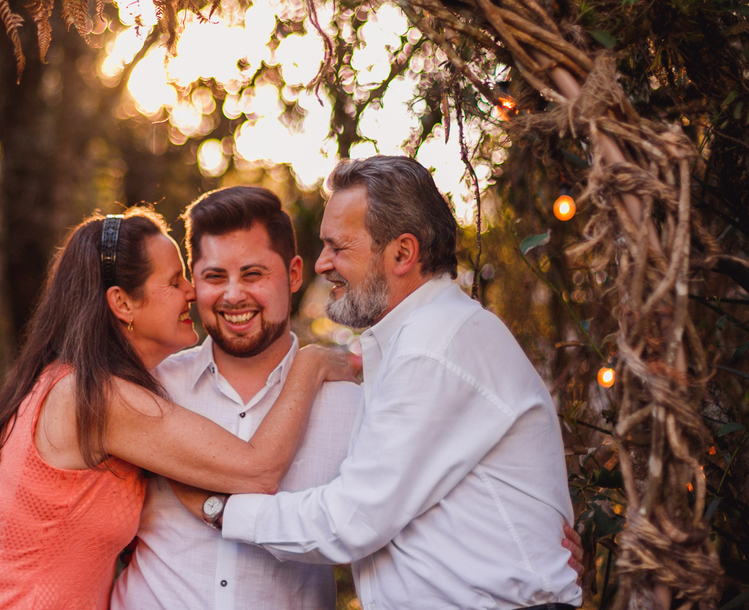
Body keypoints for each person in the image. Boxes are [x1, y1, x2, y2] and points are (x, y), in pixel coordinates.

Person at [0, 186, 585, 607]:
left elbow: (403, 505)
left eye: (253, 273)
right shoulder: (145, 394)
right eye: (208, 276)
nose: (227, 294)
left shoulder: (357, 400)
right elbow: (63, 503)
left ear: (293, 275)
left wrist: (530, 554)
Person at [173, 156, 584, 610]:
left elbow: (353, 519)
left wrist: (222, 509)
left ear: (402, 254)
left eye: (337, 247)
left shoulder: (434, 345)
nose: (322, 263)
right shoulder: (416, 343)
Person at [0, 206, 355, 610]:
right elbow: (257, 470)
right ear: (123, 303)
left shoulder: (67, 381)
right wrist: (310, 364)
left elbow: (44, 515)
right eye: (175, 281)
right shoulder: (97, 396)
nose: (192, 292)